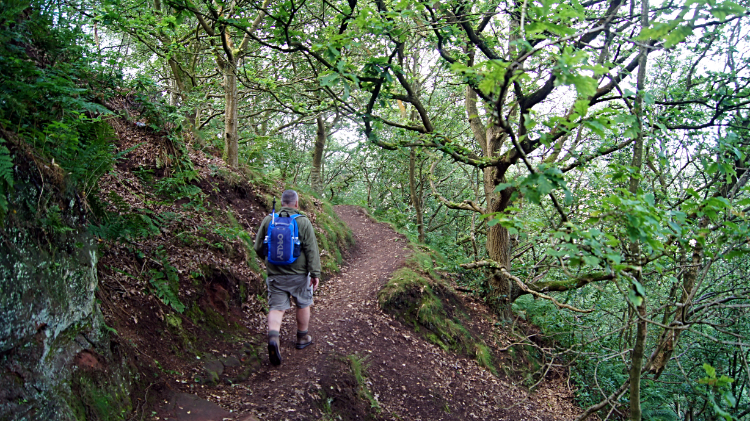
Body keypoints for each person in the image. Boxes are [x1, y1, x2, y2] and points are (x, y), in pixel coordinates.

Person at [253, 189, 321, 366]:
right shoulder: (303, 222)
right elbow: (311, 250)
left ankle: (274, 337)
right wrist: (315, 273)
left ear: (282, 203)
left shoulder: (269, 220)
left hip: (276, 274)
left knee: (276, 307)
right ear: (296, 204)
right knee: (303, 303)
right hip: (299, 275)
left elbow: (258, 247)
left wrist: (269, 261)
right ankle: (302, 337)